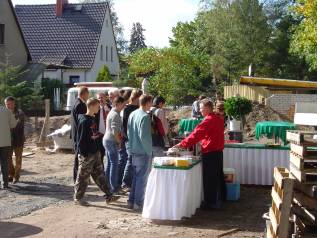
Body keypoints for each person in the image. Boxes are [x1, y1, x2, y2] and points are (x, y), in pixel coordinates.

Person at [175, 99, 226, 210]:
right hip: (218, 152)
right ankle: (219, 199)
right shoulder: (218, 118)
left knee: (210, 179)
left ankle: (210, 203)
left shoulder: (209, 120)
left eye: (202, 108)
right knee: (217, 176)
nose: (200, 110)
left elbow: (196, 134)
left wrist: (181, 145)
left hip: (210, 152)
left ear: (208, 108)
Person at [74, 98, 119, 206]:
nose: (99, 108)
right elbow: (80, 140)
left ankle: (109, 195)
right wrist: (84, 154)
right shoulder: (84, 121)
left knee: (100, 175)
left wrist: (99, 149)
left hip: (95, 152)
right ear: (91, 106)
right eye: (97, 106)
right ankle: (78, 198)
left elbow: (94, 135)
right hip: (87, 154)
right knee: (83, 176)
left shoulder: (92, 119)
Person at [127, 95, 153, 211]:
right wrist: (149, 152)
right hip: (143, 151)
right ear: (146, 103)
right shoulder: (145, 116)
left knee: (136, 178)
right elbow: (144, 137)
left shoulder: (133, 114)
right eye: (151, 102)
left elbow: (128, 133)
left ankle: (131, 201)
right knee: (141, 179)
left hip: (133, 150)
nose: (151, 105)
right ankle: (138, 203)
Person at [119, 89, 143, 191]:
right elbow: (125, 125)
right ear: (136, 97)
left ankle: (129, 182)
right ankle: (125, 183)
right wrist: (128, 138)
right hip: (129, 138)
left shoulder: (138, 108)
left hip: (135, 138)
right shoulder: (128, 109)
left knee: (132, 160)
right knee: (130, 159)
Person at [103, 96, 125, 193]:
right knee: (114, 164)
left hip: (107, 140)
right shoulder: (115, 114)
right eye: (123, 104)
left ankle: (107, 186)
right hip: (111, 140)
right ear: (118, 104)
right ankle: (113, 188)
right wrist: (119, 142)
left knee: (110, 163)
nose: (124, 106)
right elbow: (115, 131)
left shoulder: (112, 112)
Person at [5, 97, 25, 184]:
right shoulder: (4, 113)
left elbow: (18, 125)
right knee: (8, 159)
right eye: (7, 104)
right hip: (7, 140)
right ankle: (11, 174)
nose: (9, 106)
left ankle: (16, 176)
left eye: (10, 104)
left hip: (18, 139)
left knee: (18, 159)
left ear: (14, 104)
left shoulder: (19, 113)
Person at [71, 86, 89, 183]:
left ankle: (77, 178)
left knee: (78, 157)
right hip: (79, 134)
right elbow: (81, 122)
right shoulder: (80, 105)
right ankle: (77, 179)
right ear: (84, 94)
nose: (88, 95)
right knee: (78, 157)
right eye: (87, 93)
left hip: (76, 133)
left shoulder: (76, 102)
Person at [0, 103, 17, 189]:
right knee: (5, 163)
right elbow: (13, 125)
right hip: (5, 142)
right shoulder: (7, 111)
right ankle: (5, 184)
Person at [95, 93, 111, 165]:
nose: (100, 99)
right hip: (99, 135)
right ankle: (101, 172)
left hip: (108, 135)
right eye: (99, 98)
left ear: (105, 98)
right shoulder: (95, 109)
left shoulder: (109, 107)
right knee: (100, 155)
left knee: (109, 155)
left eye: (102, 97)